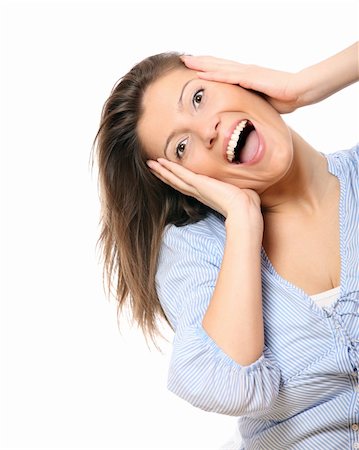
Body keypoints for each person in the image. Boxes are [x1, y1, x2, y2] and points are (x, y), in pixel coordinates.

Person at [93, 42, 359, 448]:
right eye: (181, 148)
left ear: (239, 80)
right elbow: (227, 384)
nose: (207, 130)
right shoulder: (197, 249)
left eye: (198, 97)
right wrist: (244, 222)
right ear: (180, 182)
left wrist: (304, 86)